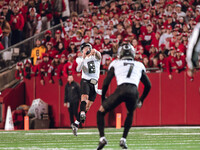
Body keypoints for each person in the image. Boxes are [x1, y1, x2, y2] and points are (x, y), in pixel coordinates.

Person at [96, 44, 151, 150]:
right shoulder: (139, 64)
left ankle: (102, 138)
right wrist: (141, 99)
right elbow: (148, 85)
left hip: (121, 89)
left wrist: (103, 98)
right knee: (130, 113)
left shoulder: (116, 63)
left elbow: (106, 82)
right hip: (134, 91)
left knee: (100, 112)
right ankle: (123, 139)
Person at [71, 43, 101, 136]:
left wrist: (95, 51)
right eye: (84, 48)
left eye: (87, 48)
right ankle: (82, 112)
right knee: (84, 96)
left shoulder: (95, 56)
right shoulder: (80, 59)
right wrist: (83, 58)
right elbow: (78, 69)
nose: (86, 49)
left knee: (88, 106)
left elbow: (99, 56)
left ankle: (76, 123)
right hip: (86, 81)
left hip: (94, 84)